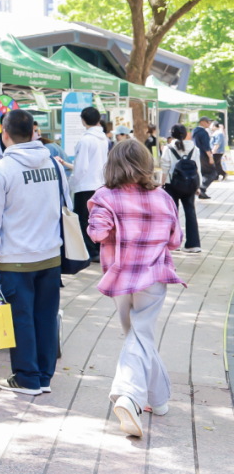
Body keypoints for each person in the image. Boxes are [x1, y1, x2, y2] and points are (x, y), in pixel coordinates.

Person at [87, 139, 185, 438]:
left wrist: (116, 226)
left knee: (136, 336)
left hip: (119, 277)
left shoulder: (105, 196)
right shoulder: (163, 197)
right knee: (141, 336)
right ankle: (143, 397)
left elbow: (97, 233)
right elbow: (175, 241)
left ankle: (145, 398)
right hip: (153, 275)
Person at [0, 109, 70, 396]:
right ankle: (44, 377)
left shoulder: (0, 170)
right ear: (34, 132)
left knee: (21, 317)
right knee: (45, 316)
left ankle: (27, 378)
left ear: (4, 134)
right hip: (51, 254)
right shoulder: (54, 165)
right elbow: (66, 204)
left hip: (15, 258)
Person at [62, 106, 107, 261]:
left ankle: (91, 251)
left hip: (85, 186)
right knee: (98, 218)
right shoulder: (103, 139)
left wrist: (71, 184)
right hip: (101, 185)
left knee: (84, 219)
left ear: (83, 120)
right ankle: (99, 248)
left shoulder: (85, 140)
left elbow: (81, 168)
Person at [160, 124, 201, 253]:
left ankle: (174, 243)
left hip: (172, 185)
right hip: (190, 185)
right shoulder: (194, 148)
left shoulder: (168, 148)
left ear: (172, 135)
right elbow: (197, 168)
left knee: (172, 213)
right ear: (185, 133)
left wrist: (161, 185)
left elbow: (165, 168)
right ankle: (193, 244)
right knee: (190, 212)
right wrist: (198, 186)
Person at [192, 116, 218, 199]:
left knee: (202, 173)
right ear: (202, 122)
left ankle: (201, 192)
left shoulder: (194, 131)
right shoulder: (203, 132)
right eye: (207, 122)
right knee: (213, 172)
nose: (209, 123)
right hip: (204, 155)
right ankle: (202, 189)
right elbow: (206, 146)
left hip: (197, 155)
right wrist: (210, 157)